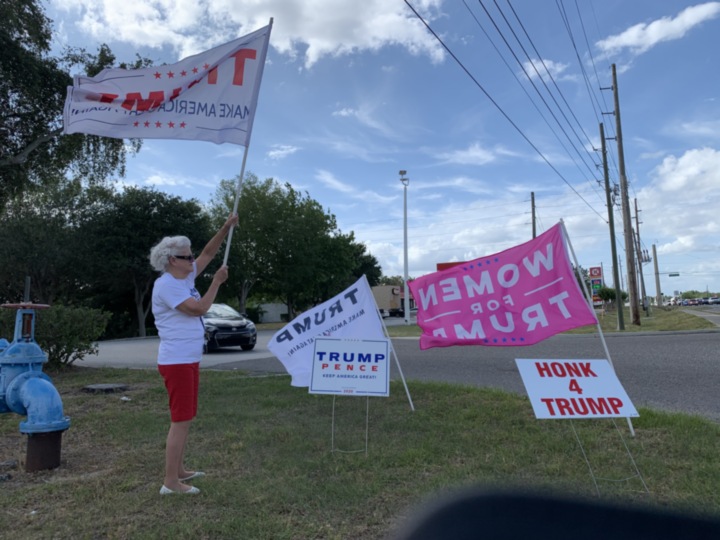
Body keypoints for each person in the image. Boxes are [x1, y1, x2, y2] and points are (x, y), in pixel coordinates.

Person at [148, 213, 239, 495]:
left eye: (190, 257)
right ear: (172, 260)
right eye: (187, 257)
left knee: (186, 417)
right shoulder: (167, 285)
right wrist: (216, 283)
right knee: (180, 419)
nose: (192, 260)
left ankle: (179, 470)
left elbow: (209, 253)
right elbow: (199, 309)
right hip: (176, 361)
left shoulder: (185, 276)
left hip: (187, 359)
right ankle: (170, 482)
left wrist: (226, 227)